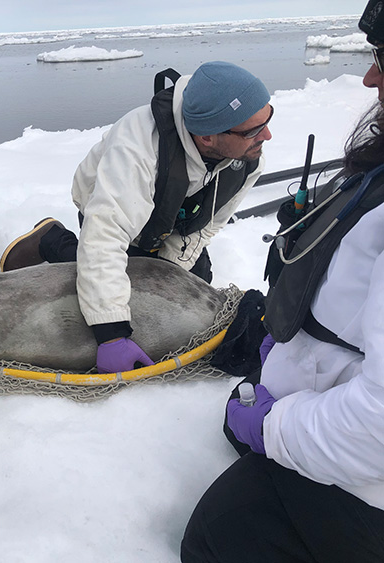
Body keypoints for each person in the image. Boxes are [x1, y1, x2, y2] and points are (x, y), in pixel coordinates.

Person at [181, 3, 384, 560]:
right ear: (208, 138)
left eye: (382, 59)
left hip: (359, 472)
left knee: (215, 537)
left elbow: (381, 428)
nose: (370, 77)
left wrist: (274, 429)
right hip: (325, 406)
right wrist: (313, 220)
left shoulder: (239, 159)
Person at [0, 61, 272, 374]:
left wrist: (166, 274)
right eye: (252, 130)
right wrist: (111, 333)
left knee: (191, 282)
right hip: (108, 207)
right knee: (116, 283)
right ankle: (51, 240)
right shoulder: (139, 147)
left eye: (267, 117)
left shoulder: (248, 158)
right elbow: (105, 236)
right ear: (208, 137)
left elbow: (207, 225)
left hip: (172, 217)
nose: (267, 135)